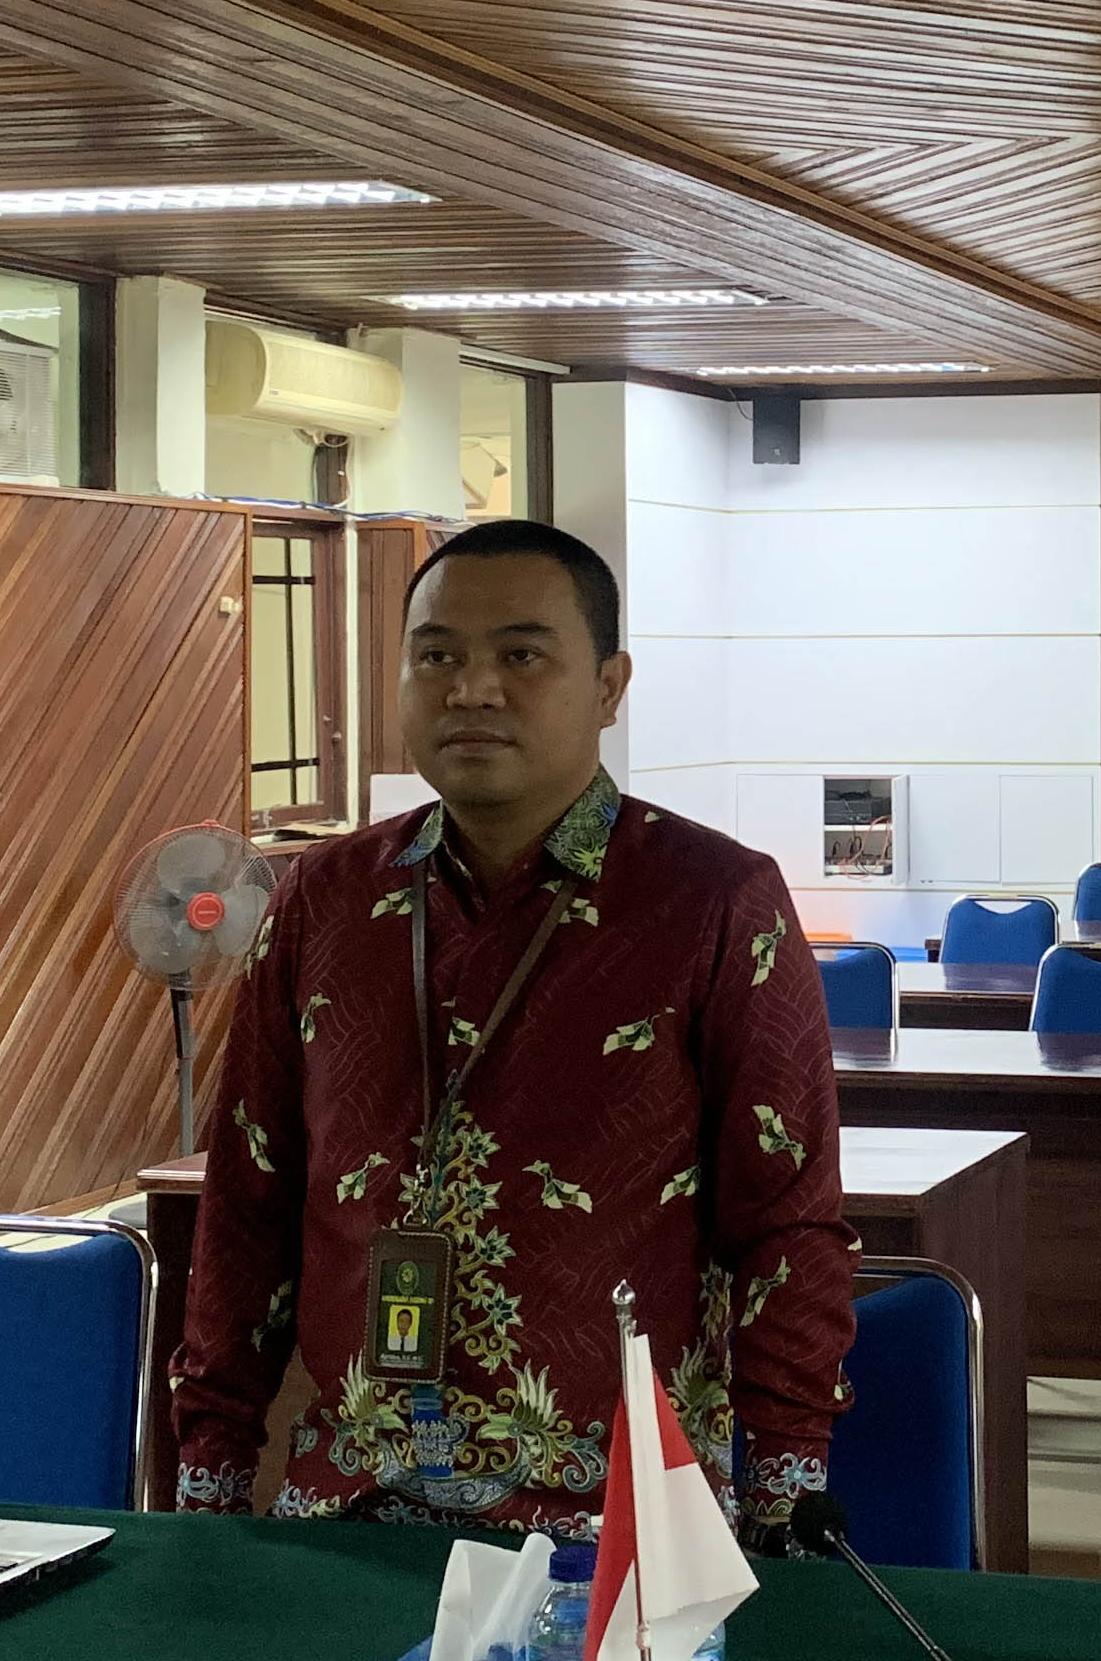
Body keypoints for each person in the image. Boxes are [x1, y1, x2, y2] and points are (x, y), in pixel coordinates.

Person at [168, 518, 855, 1532]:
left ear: (611, 688)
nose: (472, 688)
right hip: (349, 1515)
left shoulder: (713, 902)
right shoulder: (323, 900)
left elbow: (787, 1227)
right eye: (436, 655)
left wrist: (781, 1508)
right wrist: (211, 1481)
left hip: (611, 1530)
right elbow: (246, 1205)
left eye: (521, 656)